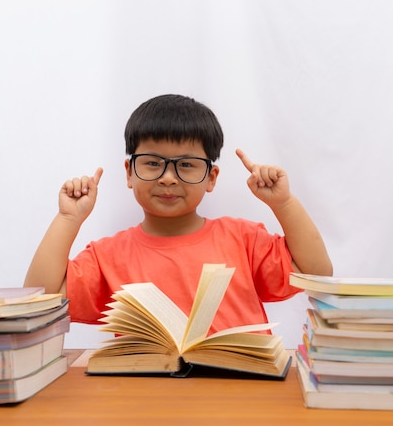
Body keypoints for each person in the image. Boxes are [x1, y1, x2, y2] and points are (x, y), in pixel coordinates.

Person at [24, 94, 332, 332]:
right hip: (146, 403)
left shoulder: (243, 238)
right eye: (153, 162)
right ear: (129, 173)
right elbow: (38, 299)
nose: (168, 177)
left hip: (239, 401)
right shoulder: (107, 256)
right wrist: (68, 219)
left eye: (185, 165)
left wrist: (284, 203)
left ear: (211, 177)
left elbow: (318, 273)